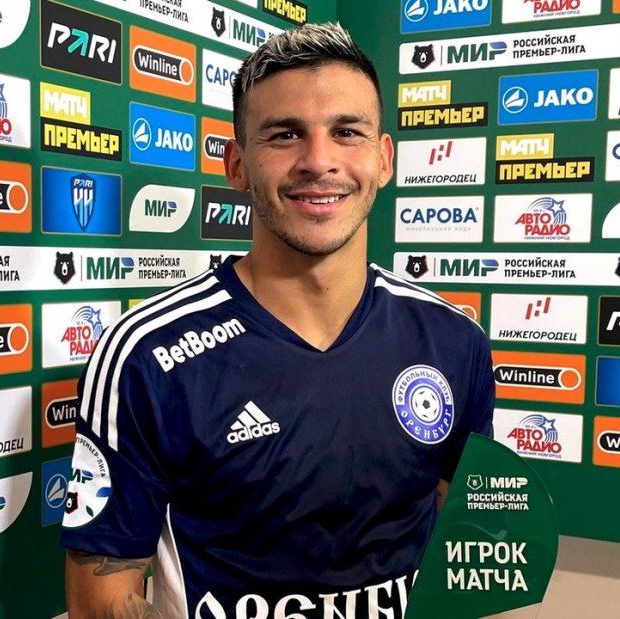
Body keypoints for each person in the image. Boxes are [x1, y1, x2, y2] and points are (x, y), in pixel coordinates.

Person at [61, 22, 495, 619]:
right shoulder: (144, 354)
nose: (319, 161)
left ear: (384, 159)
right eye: (285, 134)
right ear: (237, 164)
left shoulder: (453, 340)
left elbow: (466, 547)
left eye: (347, 132)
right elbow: (101, 598)